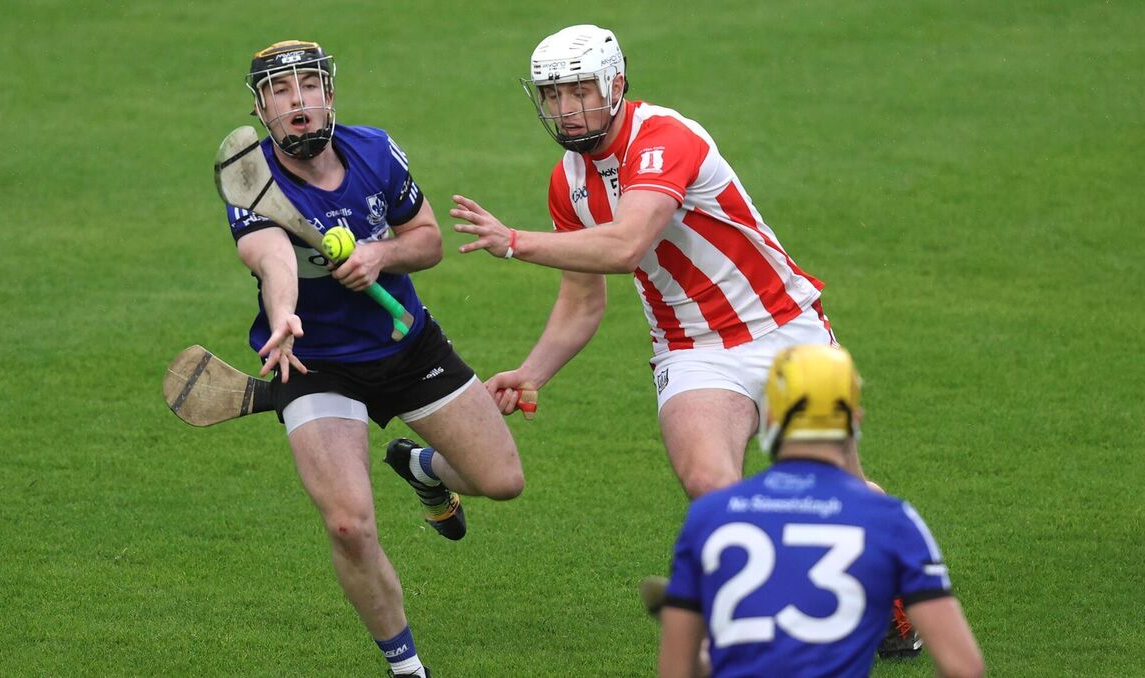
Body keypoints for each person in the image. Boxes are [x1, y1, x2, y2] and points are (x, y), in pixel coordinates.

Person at [451, 23, 852, 500]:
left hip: (786, 327)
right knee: (710, 488)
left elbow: (625, 247)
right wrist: (532, 372)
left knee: (841, 496)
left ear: (615, 85)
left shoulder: (664, 138)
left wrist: (514, 241)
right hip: (692, 351)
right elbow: (582, 301)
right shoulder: (568, 181)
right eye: (553, 96)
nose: (566, 111)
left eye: (580, 93)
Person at [226, 40, 525, 678]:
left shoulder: (374, 150)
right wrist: (283, 314)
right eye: (280, 92)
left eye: (308, 86)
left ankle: (421, 468)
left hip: (406, 345)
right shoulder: (251, 177)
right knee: (349, 526)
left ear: (329, 94)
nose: (297, 102)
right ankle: (406, 666)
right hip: (315, 364)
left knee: (503, 481)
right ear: (261, 107)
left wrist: (378, 255)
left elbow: (428, 241)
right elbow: (272, 255)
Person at [656, 345, 984, 678]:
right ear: (855, 418)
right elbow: (964, 668)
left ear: (770, 417)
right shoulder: (892, 521)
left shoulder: (710, 516)